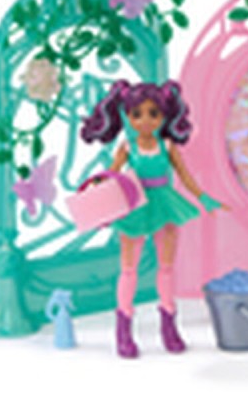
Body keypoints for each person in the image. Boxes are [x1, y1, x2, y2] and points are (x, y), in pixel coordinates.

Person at [81, 80, 226, 358]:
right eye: (137, 114)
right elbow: (112, 173)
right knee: (128, 269)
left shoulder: (167, 145)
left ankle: (169, 325)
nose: (145, 121)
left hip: (165, 204)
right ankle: (124, 329)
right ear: (127, 116)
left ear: (164, 116)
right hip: (135, 204)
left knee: (167, 268)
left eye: (153, 113)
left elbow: (185, 177)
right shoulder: (127, 147)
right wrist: (97, 195)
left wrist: (205, 198)